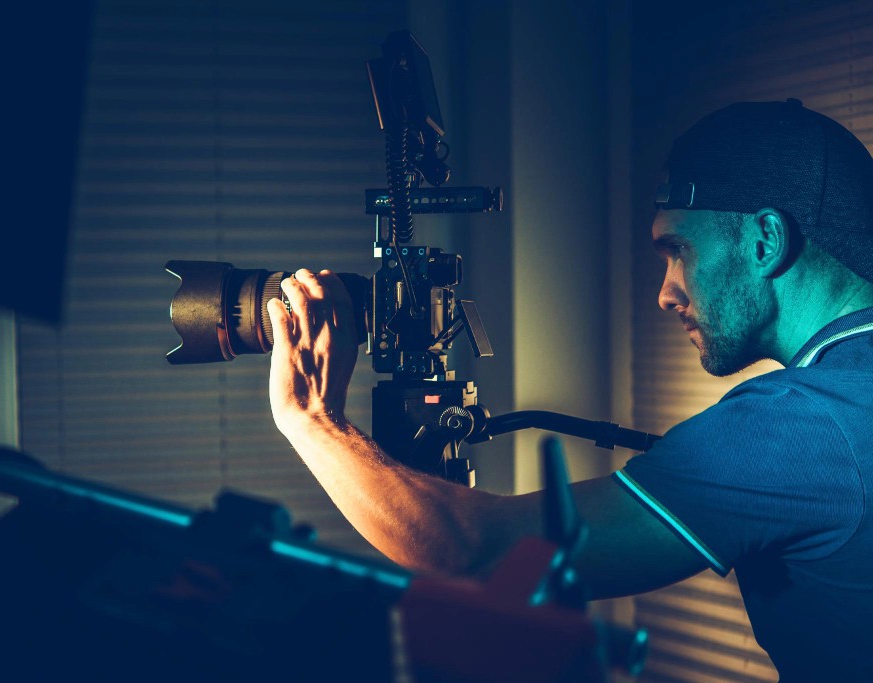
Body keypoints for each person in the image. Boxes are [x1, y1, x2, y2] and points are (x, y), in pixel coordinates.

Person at [265, 99, 873, 681]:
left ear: (766, 241)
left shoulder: (801, 427)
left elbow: (475, 550)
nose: (667, 292)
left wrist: (310, 417)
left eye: (678, 251)